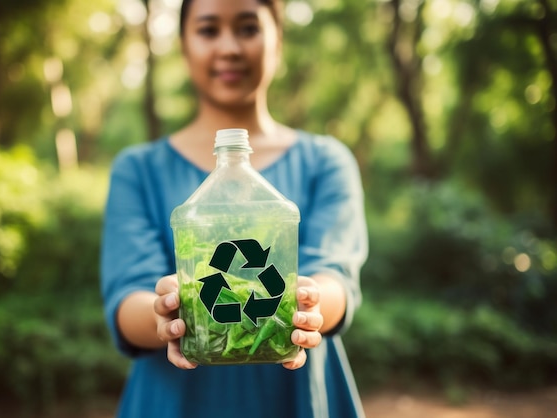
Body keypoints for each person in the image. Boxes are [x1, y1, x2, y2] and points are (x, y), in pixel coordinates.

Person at [100, 0, 369, 417]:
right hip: (174, 402)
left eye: (248, 28)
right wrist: (166, 315)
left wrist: (310, 306)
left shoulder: (326, 161)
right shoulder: (138, 169)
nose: (229, 48)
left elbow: (335, 277)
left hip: (297, 398)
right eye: (208, 30)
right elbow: (126, 297)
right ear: (184, 45)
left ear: (278, 39)